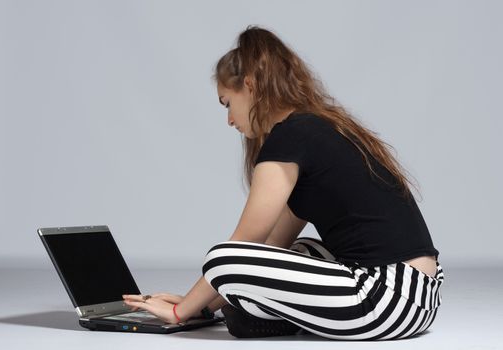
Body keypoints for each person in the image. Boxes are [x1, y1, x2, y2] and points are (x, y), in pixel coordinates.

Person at [122, 25, 444, 340]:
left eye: (227, 103)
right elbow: (272, 250)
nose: (229, 119)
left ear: (249, 86)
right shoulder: (318, 127)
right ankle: (248, 314)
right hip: (422, 298)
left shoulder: (289, 136)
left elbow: (242, 247)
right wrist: (204, 306)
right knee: (301, 251)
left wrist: (180, 313)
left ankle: (255, 317)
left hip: (383, 300)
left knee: (222, 257)